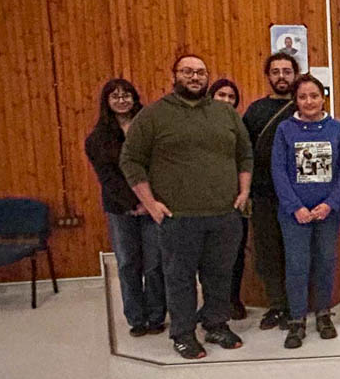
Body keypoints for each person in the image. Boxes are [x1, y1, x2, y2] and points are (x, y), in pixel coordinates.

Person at [120, 54, 252, 359]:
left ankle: (216, 324)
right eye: (187, 72)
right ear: (174, 76)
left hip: (224, 214)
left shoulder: (225, 113)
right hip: (178, 217)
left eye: (200, 73)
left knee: (220, 274)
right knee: (180, 278)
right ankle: (182, 333)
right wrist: (150, 203)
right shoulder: (154, 115)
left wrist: (244, 191)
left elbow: (245, 154)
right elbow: (130, 160)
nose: (195, 77)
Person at [271, 75, 340, 349]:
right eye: (303, 97)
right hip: (295, 214)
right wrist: (295, 207)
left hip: (328, 212)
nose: (309, 102)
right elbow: (278, 170)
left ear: (323, 98)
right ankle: (297, 319)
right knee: (297, 265)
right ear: (296, 100)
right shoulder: (285, 129)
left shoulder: (337, 129)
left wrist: (331, 203)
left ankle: (323, 314)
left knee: (325, 261)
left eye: (314, 96)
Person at [85, 79, 165, 337]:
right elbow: (108, 178)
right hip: (121, 209)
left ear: (134, 98)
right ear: (107, 102)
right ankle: (136, 319)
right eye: (115, 96)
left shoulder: (149, 128)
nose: (122, 101)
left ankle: (156, 316)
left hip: (153, 205)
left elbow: (160, 166)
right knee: (128, 264)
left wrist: (149, 202)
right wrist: (133, 204)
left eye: (126, 95)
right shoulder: (97, 138)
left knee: (155, 264)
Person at [242, 53, 299, 331]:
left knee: (295, 251)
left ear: (295, 74)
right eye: (275, 71)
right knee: (268, 252)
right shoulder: (255, 111)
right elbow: (244, 152)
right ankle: (277, 305)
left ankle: (296, 305)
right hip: (264, 193)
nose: (281, 76)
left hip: (299, 196)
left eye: (287, 71)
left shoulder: (303, 106)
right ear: (268, 76)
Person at [208, 78, 249, 319]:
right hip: (204, 199)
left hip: (234, 199)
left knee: (235, 253)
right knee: (208, 257)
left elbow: (246, 159)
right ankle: (212, 304)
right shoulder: (198, 124)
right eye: (221, 95)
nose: (226, 100)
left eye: (231, 97)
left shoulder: (239, 126)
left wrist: (244, 192)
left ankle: (233, 299)